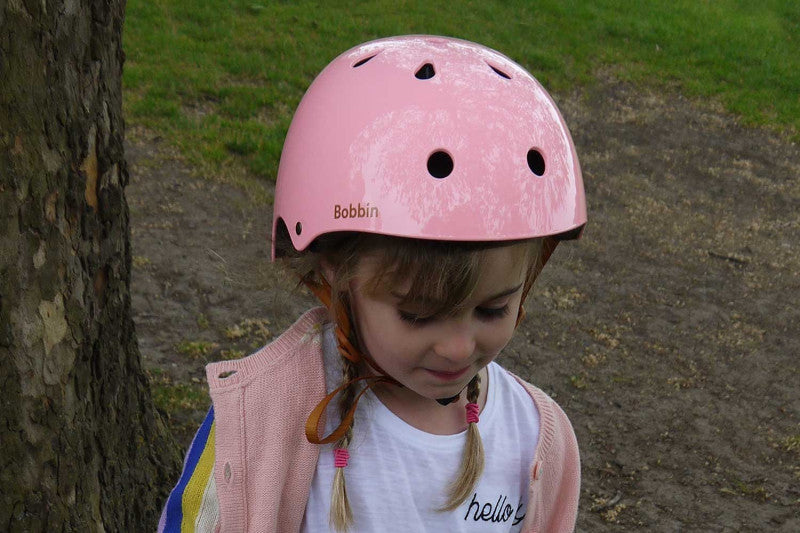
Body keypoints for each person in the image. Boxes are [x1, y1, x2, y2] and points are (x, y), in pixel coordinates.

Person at [159, 35, 587, 533]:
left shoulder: (536, 440)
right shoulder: (261, 422)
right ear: (333, 271)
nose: (457, 347)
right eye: (418, 314)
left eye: (492, 310)